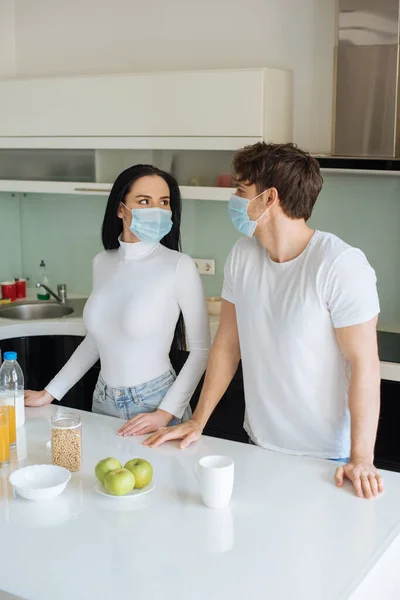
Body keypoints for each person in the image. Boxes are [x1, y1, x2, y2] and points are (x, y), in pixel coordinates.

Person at [144, 143, 383, 500]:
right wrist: (198, 420)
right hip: (259, 442)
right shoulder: (243, 255)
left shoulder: (339, 265)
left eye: (241, 190)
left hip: (326, 456)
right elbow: (227, 345)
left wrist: (362, 458)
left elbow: (364, 364)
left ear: (269, 198)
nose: (234, 197)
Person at [25, 165, 210, 435]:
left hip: (156, 403)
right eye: (144, 201)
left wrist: (164, 413)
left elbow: (201, 351)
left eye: (164, 202)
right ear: (120, 208)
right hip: (103, 399)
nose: (156, 209)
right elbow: (97, 341)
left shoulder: (179, 266)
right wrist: (49, 393)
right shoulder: (102, 262)